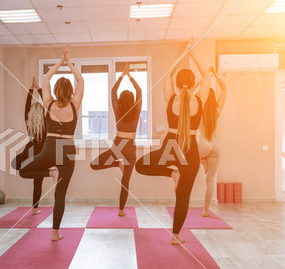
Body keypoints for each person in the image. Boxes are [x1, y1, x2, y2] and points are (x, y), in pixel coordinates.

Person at [135, 43, 210, 244]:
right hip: (190, 149)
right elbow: (208, 76)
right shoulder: (200, 100)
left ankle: (171, 173)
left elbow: (167, 75)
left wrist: (183, 54)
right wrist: (193, 53)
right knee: (183, 196)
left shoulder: (170, 98)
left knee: (140, 165)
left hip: (170, 146)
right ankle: (176, 236)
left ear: (177, 84)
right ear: (194, 84)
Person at [20, 46, 84, 241]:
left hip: (49, 148)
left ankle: (50, 172)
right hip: (68, 150)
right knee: (61, 195)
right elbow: (81, 80)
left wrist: (60, 62)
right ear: (71, 91)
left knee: (23, 170)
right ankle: (55, 233)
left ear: (56, 90)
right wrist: (69, 63)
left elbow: (46, 79)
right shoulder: (75, 103)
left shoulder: (48, 103)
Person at [90, 63, 142, 216]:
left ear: (120, 100)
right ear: (132, 101)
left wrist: (122, 75)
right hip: (131, 149)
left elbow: (113, 91)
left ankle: (116, 163)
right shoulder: (137, 110)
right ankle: (121, 211)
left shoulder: (118, 110)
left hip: (118, 145)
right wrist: (130, 76)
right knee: (125, 182)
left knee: (94, 165)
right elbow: (139, 90)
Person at [12, 76, 46, 215]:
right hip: (42, 152)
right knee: (38, 182)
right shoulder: (46, 122)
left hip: (30, 150)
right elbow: (48, 105)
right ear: (43, 112)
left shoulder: (29, 121)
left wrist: (31, 89)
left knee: (15, 164)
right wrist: (39, 89)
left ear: (32, 113)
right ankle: (35, 209)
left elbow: (27, 104)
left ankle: (35, 209)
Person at [197, 68, 227, 217]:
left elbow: (193, 92)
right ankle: (205, 211)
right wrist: (216, 76)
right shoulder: (217, 110)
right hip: (216, 146)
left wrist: (203, 79)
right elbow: (225, 89)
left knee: (184, 161)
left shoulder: (198, 107)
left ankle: (203, 160)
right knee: (210, 180)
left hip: (203, 144)